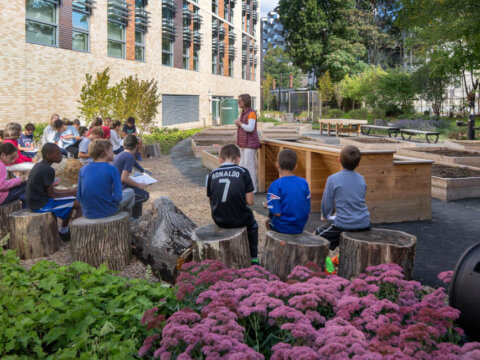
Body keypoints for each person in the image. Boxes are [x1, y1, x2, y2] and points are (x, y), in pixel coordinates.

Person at [206, 144, 259, 265]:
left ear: (220, 159)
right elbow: (250, 202)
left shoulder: (212, 174)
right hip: (240, 219)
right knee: (253, 225)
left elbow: (211, 200)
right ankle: (254, 257)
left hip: (219, 218)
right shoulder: (243, 172)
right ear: (239, 159)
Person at [314, 145, 371, 250]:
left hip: (344, 224)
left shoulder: (332, 179)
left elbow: (326, 204)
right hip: (364, 222)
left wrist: (326, 215)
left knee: (315, 237)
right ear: (358, 164)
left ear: (338, 160)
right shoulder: (362, 179)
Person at [25, 143, 81, 240]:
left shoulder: (39, 165)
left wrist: (70, 192)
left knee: (71, 200)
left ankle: (64, 230)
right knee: (79, 204)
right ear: (48, 155)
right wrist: (71, 192)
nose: (61, 156)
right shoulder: (48, 170)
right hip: (40, 205)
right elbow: (53, 194)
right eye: (58, 154)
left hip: (36, 201)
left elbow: (51, 191)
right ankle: (76, 232)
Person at [77, 140, 135, 219]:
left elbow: (79, 196)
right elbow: (118, 197)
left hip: (88, 213)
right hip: (107, 211)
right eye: (111, 150)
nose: (113, 153)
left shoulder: (83, 169)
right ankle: (130, 219)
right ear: (106, 151)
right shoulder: (112, 170)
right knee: (130, 192)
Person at [265, 149, 310, 234]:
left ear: (277, 165)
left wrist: (269, 205)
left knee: (268, 221)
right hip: (300, 226)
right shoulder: (304, 182)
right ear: (295, 166)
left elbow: (277, 213)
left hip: (283, 226)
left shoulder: (275, 185)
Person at [112, 135, 149, 219]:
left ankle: (134, 216)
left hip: (115, 187)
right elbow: (124, 178)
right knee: (144, 195)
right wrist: (139, 185)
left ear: (123, 145)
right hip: (120, 189)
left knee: (138, 191)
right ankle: (134, 217)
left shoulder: (120, 154)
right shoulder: (129, 157)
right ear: (136, 146)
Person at [234, 94, 260, 193]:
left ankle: (253, 188)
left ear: (245, 102)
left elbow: (250, 128)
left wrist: (240, 124)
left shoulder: (251, 113)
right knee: (242, 165)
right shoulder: (243, 113)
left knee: (249, 166)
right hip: (243, 143)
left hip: (250, 143)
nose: (238, 103)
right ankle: (244, 186)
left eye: (240, 101)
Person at [0, 143, 27, 208]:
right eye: (11, 158)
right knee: (27, 185)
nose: (13, 161)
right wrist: (19, 180)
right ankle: (26, 208)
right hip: (2, 197)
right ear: (3, 155)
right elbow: (2, 185)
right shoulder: (1, 165)